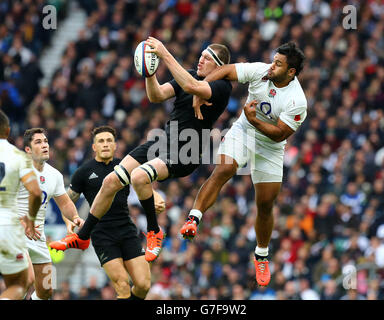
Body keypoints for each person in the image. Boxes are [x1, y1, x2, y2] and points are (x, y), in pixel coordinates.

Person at [50, 38, 232, 263]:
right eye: (202, 54)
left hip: (187, 150)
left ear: (220, 66)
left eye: (208, 58)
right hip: (163, 142)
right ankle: (83, 236)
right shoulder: (190, 74)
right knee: (110, 182)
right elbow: (157, 95)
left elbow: (192, 87)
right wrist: (150, 73)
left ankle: (154, 231)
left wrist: (164, 53)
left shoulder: (222, 87)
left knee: (138, 177)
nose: (201, 59)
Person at [181, 42, 307, 287]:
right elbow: (226, 70)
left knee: (265, 203)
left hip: (270, 144)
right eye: (273, 60)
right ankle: (194, 218)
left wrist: (254, 119)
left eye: (278, 64)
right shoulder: (261, 70)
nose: (272, 66)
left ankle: (261, 254)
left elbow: (280, 134)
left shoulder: (297, 101)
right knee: (225, 169)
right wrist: (202, 88)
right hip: (244, 131)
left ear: (291, 72)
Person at [64, 126, 152, 300]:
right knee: (122, 285)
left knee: (143, 285)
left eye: (109, 141)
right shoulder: (83, 172)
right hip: (102, 234)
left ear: (115, 145)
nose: (105, 144)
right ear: (94, 147)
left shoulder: (124, 166)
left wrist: (154, 197)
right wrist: (69, 222)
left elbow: (142, 181)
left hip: (126, 229)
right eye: (101, 141)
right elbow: (66, 202)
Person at [17, 128, 85, 300]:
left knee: (46, 290)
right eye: (38, 142)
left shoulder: (54, 175)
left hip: (38, 238)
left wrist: (76, 218)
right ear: (28, 150)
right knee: (26, 280)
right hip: (15, 233)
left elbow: (65, 202)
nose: (45, 145)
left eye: (46, 141)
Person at [0, 110, 42, 300]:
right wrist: (31, 219)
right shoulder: (17, 156)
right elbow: (35, 192)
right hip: (6, 225)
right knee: (20, 284)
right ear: (8, 131)